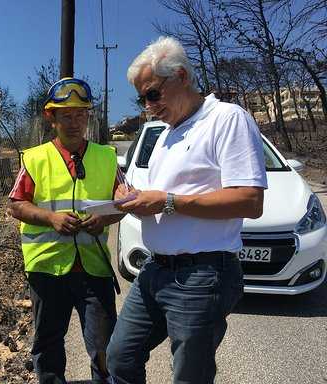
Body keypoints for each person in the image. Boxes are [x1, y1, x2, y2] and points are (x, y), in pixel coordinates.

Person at [106, 37, 268, 384]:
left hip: (202, 274)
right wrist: (132, 197)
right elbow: (162, 199)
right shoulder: (166, 135)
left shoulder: (226, 119)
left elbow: (251, 201)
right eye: (142, 98)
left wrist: (167, 200)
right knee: (119, 357)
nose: (148, 106)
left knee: (189, 376)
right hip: (155, 269)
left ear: (181, 75)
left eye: (152, 94)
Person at [8, 77, 124, 384]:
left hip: (93, 268)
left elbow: (124, 202)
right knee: (48, 346)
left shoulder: (107, 157)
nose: (75, 122)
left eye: (81, 114)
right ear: (52, 118)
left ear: (88, 116)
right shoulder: (34, 158)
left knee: (104, 348)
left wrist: (105, 218)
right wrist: (50, 218)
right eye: (67, 115)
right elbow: (16, 205)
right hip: (47, 269)